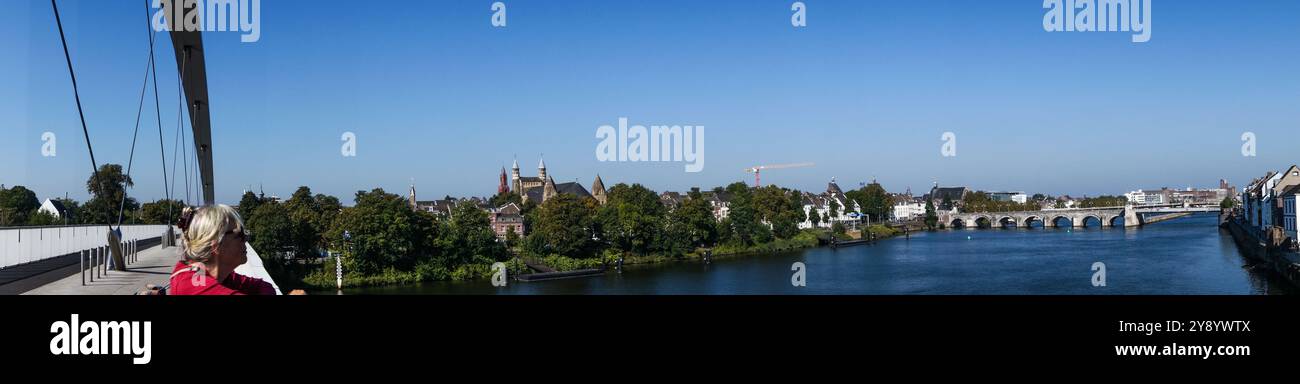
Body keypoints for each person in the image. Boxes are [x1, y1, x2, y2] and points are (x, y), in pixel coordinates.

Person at [168, 204, 279, 295]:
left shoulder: (221, 276)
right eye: (239, 234)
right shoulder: (194, 284)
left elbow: (263, 286)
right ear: (216, 246)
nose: (246, 239)